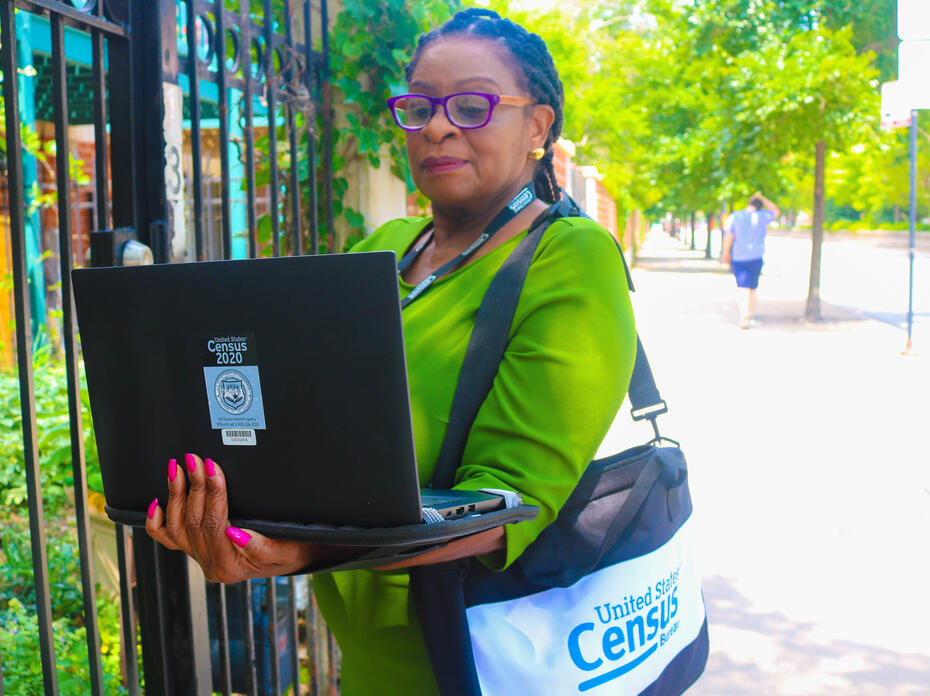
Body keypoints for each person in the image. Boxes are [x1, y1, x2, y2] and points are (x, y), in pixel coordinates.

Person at [144, 9, 636, 694]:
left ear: (538, 127)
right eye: (419, 107)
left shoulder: (572, 258)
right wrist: (228, 505)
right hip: (367, 667)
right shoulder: (385, 247)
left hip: (473, 664)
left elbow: (511, 503)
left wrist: (307, 551)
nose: (437, 126)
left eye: (472, 105)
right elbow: (312, 430)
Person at [721, 192, 779, 328]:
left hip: (739, 256)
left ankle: (744, 315)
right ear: (760, 206)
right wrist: (763, 198)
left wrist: (725, 253)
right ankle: (750, 315)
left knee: (742, 287)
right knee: (753, 288)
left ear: (748, 203)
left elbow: (728, 236)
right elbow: (776, 211)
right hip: (756, 256)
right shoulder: (763, 216)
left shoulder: (735, 216)